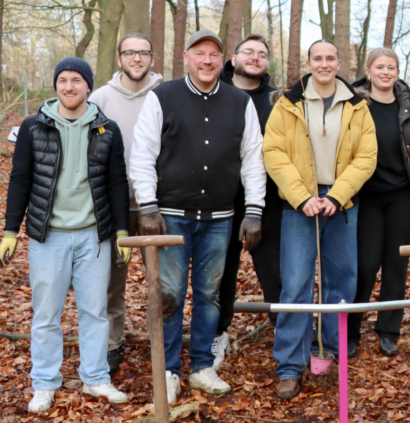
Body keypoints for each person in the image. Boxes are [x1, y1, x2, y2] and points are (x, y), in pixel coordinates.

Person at [129, 29, 267, 404]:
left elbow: (253, 158)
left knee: (209, 293)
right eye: (200, 54)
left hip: (220, 218)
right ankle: (170, 369)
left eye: (214, 55)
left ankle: (202, 365)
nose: (207, 61)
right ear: (187, 57)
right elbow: (142, 152)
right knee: (170, 294)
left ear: (223, 61)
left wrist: (253, 211)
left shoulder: (239, 102)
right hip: (171, 215)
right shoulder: (163, 97)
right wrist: (148, 205)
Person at [0, 57, 131, 412]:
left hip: (94, 237)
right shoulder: (33, 127)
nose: (69, 87)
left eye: (76, 81)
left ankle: (96, 378)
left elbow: (117, 182)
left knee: (95, 312)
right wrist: (11, 230)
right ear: (56, 86)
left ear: (88, 86)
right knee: (45, 314)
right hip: (48, 237)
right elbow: (20, 178)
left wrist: (120, 229)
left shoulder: (107, 129)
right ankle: (43, 383)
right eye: (63, 81)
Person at [263, 39, 377, 399]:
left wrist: (338, 196)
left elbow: (366, 157)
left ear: (339, 62)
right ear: (308, 63)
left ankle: (330, 355)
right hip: (300, 205)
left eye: (330, 58)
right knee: (296, 284)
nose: (324, 64)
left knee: (340, 283)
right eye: (318, 58)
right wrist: (301, 198)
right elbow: (274, 152)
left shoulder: (358, 106)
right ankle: (290, 366)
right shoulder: (287, 103)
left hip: (342, 205)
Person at [87, 32, 164, 375]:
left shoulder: (166, 95)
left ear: (152, 58)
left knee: (160, 281)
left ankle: (159, 341)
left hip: (156, 204)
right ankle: (111, 344)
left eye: (143, 53)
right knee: (110, 281)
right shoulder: (100, 98)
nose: (137, 58)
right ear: (119, 59)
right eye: (129, 53)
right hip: (113, 204)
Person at [348, 47, 410, 358]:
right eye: (380, 67)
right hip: (366, 197)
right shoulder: (355, 105)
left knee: (396, 265)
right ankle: (352, 330)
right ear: (368, 71)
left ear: (398, 72)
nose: (386, 72)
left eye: (391, 67)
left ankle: (388, 331)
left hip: (402, 197)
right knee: (366, 266)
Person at [211, 33, 284, 370]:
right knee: (220, 272)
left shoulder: (278, 101)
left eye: (262, 54)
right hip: (219, 199)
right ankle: (217, 332)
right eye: (248, 52)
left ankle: (286, 333)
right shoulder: (214, 93)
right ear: (234, 57)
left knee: (274, 271)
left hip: (267, 201)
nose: (255, 58)